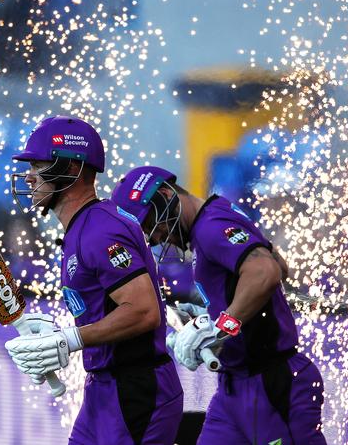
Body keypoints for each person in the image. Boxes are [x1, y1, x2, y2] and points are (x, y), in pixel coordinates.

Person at [111, 165, 326, 445]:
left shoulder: (210, 227)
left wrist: (221, 327)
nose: (154, 237)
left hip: (273, 382)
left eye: (150, 223)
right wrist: (211, 314)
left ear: (165, 195)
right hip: (235, 385)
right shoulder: (216, 215)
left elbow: (266, 273)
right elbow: (278, 265)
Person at [4, 116, 183, 444]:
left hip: (135, 391)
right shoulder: (85, 227)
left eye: (38, 165)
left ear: (71, 170)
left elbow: (144, 312)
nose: (29, 177)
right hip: (105, 389)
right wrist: (58, 334)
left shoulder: (100, 229)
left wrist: (69, 340)